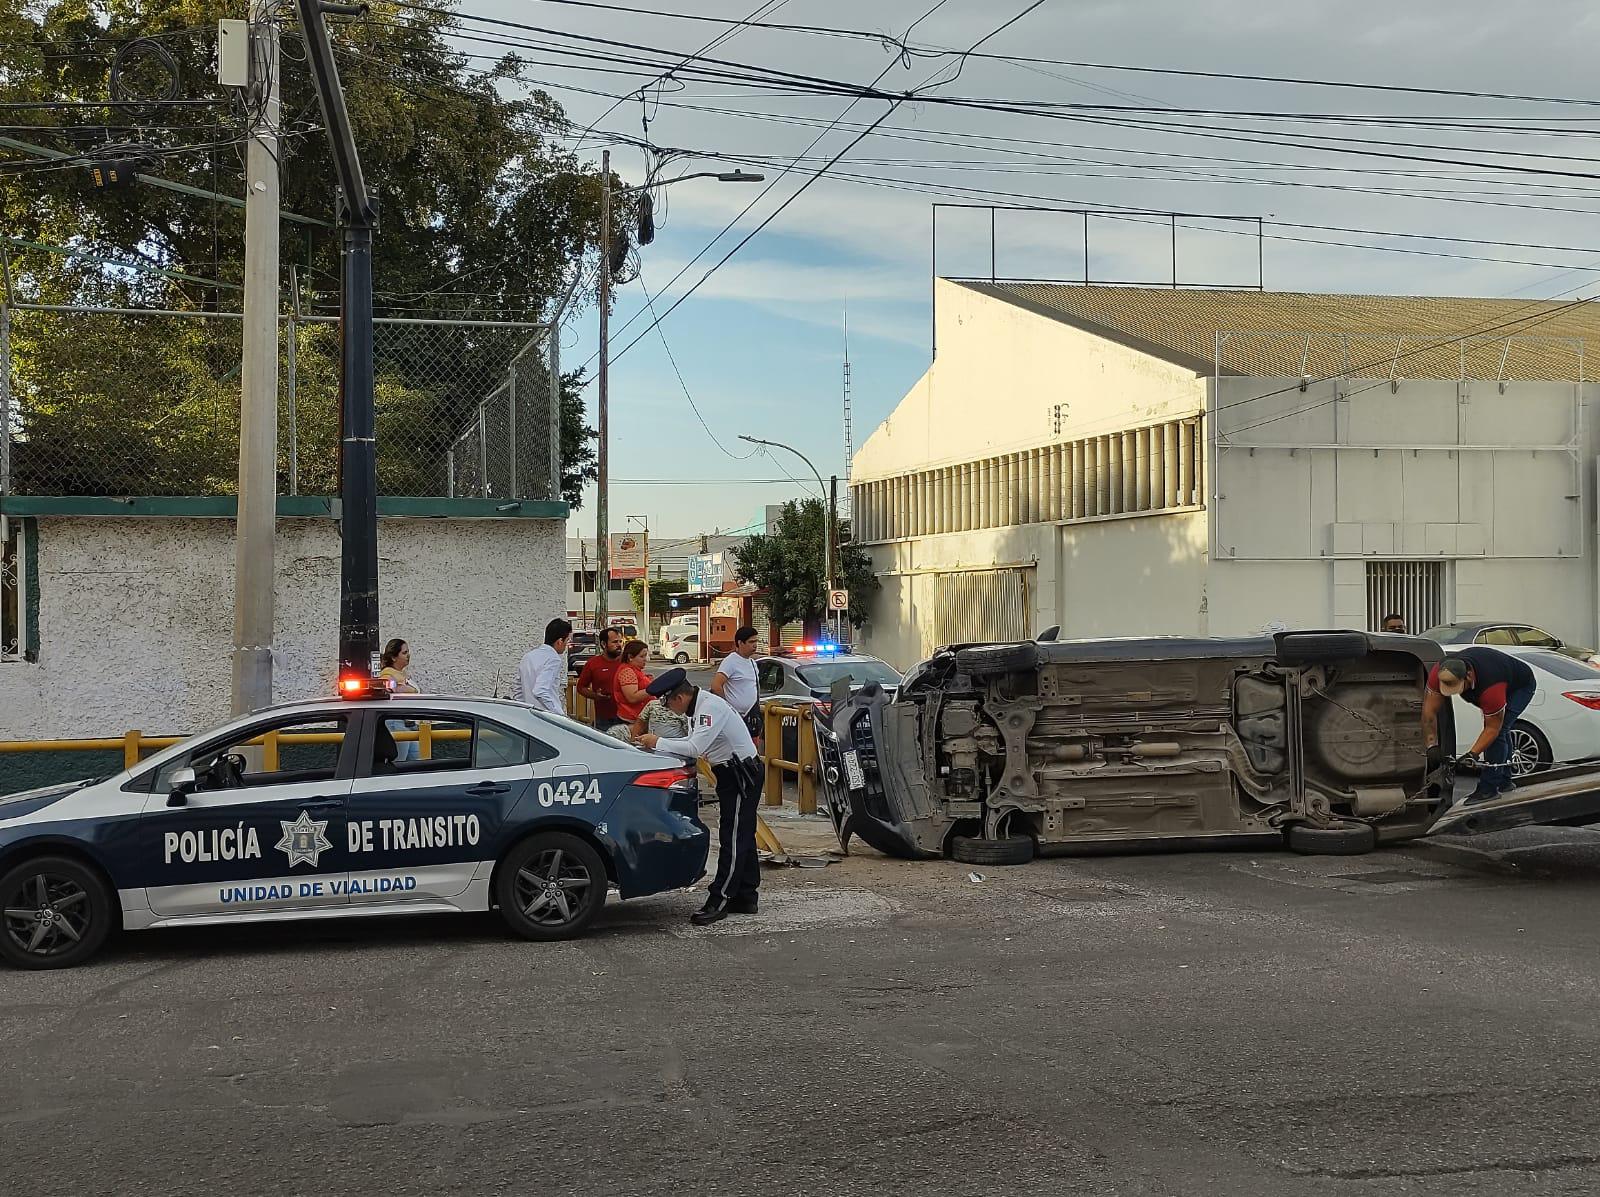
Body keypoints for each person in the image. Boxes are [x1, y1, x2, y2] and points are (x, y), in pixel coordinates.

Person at [639, 667, 762, 926]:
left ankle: (721, 898)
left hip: (740, 774)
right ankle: (746, 894)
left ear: (679, 698)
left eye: (667, 702)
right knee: (742, 833)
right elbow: (695, 741)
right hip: (731, 773)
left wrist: (657, 742)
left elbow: (696, 747)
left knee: (733, 836)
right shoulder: (701, 706)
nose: (668, 708)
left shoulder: (709, 709)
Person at [1422, 647, 1538, 803]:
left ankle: (1489, 789)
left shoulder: (1491, 688)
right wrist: (1432, 745)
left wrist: (1472, 754)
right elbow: (1429, 713)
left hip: (1520, 686)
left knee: (1500, 731)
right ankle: (1505, 781)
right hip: (1494, 678)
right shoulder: (1439, 673)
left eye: (1457, 687)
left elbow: (1492, 729)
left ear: (1468, 676)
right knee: (1502, 731)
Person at [711, 624, 762, 739]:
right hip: (735, 718)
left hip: (752, 716)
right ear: (740, 643)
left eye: (756, 641)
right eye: (751, 642)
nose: (755, 645)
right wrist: (728, 707)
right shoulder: (731, 661)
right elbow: (716, 685)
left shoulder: (752, 663)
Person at [514, 618, 572, 715]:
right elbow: (540, 691)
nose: (567, 644)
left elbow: (517, 692)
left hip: (528, 716)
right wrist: (559, 714)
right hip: (546, 718)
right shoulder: (553, 659)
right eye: (567, 640)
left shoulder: (528, 657)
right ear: (560, 641)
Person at [378, 638, 422, 762]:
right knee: (399, 763)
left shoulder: (400, 674)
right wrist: (409, 690)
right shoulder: (387, 674)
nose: (408, 655)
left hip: (408, 724)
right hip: (397, 723)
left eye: (408, 652)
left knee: (415, 763)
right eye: (404, 653)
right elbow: (390, 688)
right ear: (393, 657)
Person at [576, 626, 626, 730]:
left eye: (621, 641)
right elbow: (581, 687)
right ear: (604, 644)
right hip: (604, 719)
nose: (619, 645)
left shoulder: (627, 662)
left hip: (627, 718)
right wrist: (596, 696)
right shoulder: (593, 664)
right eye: (615, 642)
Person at [612, 640, 652, 726]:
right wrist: (653, 688)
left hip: (637, 719)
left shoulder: (634, 670)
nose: (646, 659)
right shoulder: (627, 671)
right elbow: (632, 697)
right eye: (642, 656)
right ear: (630, 657)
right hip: (631, 721)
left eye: (646, 656)